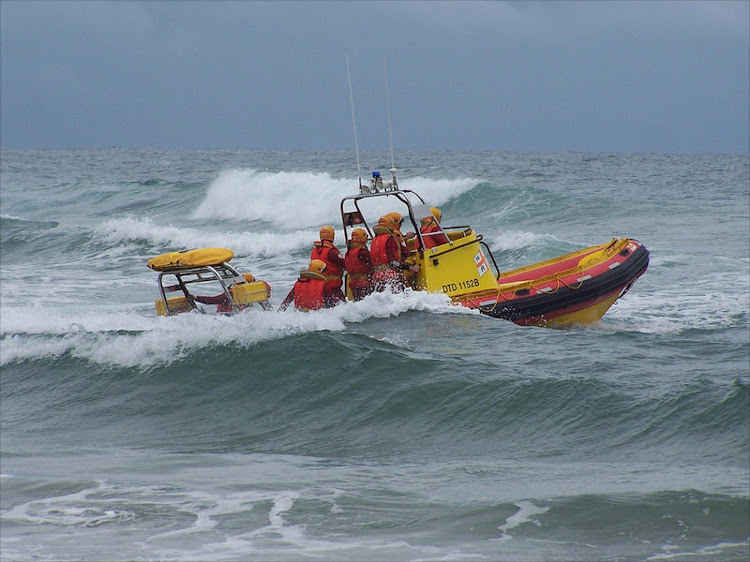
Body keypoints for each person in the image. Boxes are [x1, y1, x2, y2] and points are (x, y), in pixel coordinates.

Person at [370, 214, 419, 292]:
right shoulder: (390, 239)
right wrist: (409, 268)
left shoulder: (374, 240)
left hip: (377, 277)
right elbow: (393, 262)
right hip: (390, 276)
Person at [279, 259, 346, 311]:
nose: (324, 273)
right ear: (319, 271)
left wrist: (279, 311)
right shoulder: (323, 285)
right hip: (316, 314)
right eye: (324, 271)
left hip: (299, 314)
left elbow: (287, 301)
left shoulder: (298, 283)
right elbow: (332, 301)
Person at [310, 225, 346, 302]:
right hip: (333, 287)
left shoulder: (314, 251)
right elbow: (344, 263)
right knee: (342, 306)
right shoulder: (332, 252)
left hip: (319, 287)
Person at [344, 228, 373, 301]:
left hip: (353, 285)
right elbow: (372, 263)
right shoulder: (362, 252)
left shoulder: (348, 253)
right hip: (364, 283)